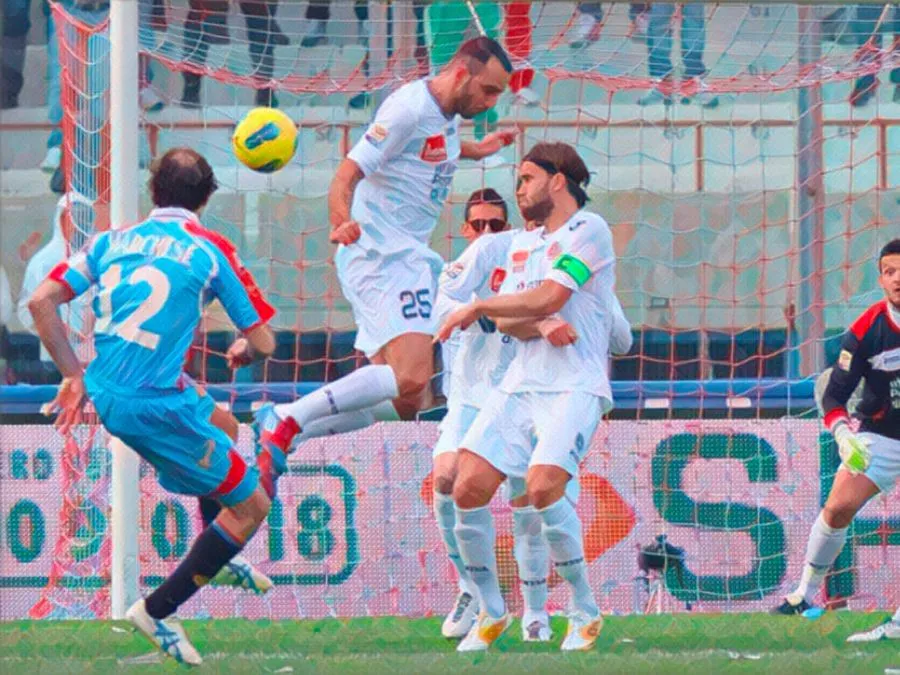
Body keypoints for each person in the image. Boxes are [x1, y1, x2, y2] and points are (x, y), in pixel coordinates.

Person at [27, 148, 277, 665]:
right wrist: (247, 344)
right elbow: (267, 343)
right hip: (153, 405)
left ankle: (218, 546)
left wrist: (75, 375)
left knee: (224, 425)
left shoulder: (109, 241)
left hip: (112, 385)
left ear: (152, 191)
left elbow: (40, 302)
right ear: (207, 197)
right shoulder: (210, 250)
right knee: (252, 508)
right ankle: (158, 610)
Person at [252, 37, 516, 496]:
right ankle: (286, 417)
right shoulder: (407, 110)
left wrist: (480, 149)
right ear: (463, 72)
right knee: (412, 375)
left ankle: (285, 434)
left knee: (406, 399)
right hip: (383, 255)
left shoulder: (446, 115)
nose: (491, 102)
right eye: (489, 91)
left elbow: (438, 148)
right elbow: (347, 173)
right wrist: (341, 221)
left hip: (404, 255)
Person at [436, 141, 626, 652]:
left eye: (525, 178)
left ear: (557, 181)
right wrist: (535, 323)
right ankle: (492, 611)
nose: (519, 189)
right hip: (520, 383)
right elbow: (508, 320)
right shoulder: (522, 244)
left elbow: (551, 294)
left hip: (575, 385)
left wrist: (484, 305)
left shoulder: (590, 230)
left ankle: (583, 610)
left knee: (541, 489)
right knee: (466, 489)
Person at [771, 238, 900, 616]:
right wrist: (843, 436)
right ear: (880, 280)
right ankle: (804, 593)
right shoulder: (865, 331)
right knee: (838, 508)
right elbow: (833, 396)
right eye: (890, 272)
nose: (897, 278)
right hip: (883, 436)